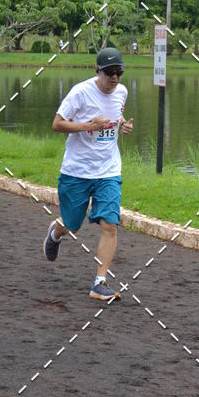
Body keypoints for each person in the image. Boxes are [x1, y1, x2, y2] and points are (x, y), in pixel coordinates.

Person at [43, 48, 134, 301]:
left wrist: (123, 124)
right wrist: (87, 126)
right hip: (77, 171)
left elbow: (115, 115)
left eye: (119, 73)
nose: (115, 78)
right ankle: (56, 232)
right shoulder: (80, 93)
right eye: (110, 73)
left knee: (110, 224)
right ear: (97, 71)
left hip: (108, 170)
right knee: (72, 223)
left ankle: (99, 282)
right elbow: (57, 124)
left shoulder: (122, 92)